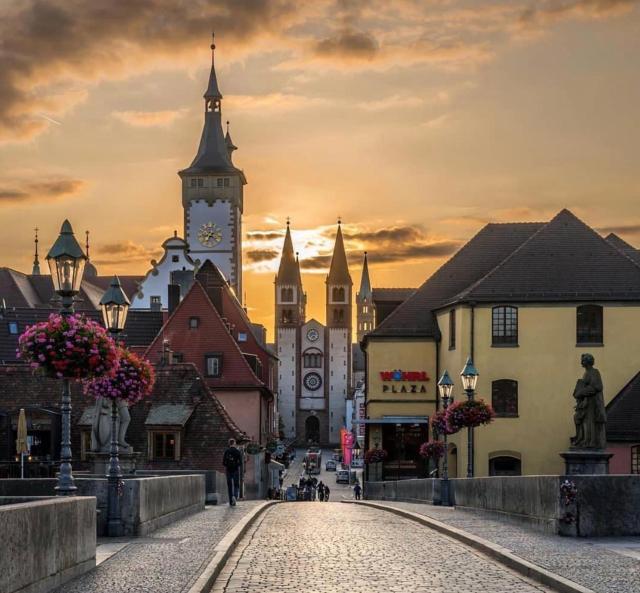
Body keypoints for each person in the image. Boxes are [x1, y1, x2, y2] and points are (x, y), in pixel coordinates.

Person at [222, 438, 243, 506]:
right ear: (234, 443)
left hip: (228, 470)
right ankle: (235, 496)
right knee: (236, 485)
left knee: (230, 486)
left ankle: (231, 501)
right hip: (235, 470)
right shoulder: (237, 452)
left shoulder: (227, 451)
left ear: (229, 444)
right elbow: (240, 463)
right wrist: (236, 465)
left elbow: (223, 463)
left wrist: (228, 465)